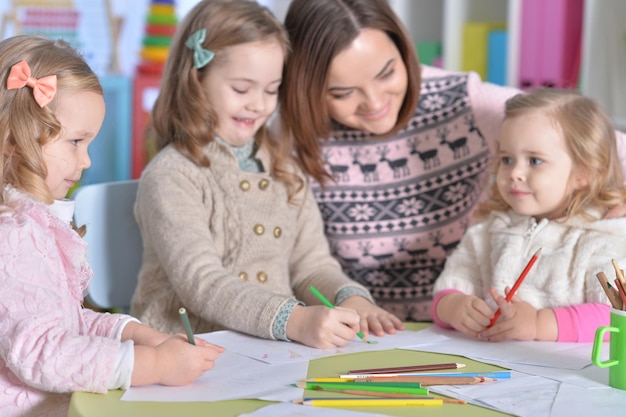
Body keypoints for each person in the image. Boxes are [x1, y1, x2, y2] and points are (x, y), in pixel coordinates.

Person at [279, 0, 626, 323]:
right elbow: (306, 259)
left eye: (387, 73)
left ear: (404, 51)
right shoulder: (290, 134)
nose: (374, 102)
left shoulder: (464, 102)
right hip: (358, 331)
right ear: (307, 88)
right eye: (342, 93)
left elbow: (574, 131)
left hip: (458, 334)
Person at [130, 0, 403, 350]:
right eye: (241, 89)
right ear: (196, 80)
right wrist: (294, 319)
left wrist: (350, 298)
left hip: (270, 351)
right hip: (184, 352)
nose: (259, 104)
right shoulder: (173, 176)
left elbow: (312, 266)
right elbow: (202, 282)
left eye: (272, 90)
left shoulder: (284, 170)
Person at [0, 35, 224, 417]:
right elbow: (39, 351)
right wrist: (152, 366)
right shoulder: (15, 234)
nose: (85, 161)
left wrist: (133, 334)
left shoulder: (34, 224)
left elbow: (64, 322)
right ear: (16, 139)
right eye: (75, 142)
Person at [432, 88, 626, 342]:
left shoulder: (604, 238)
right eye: (507, 159)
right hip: (491, 367)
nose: (514, 173)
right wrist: (452, 306)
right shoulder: (488, 231)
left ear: (584, 172)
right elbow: (452, 283)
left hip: (566, 377)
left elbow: (617, 315)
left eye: (534, 161)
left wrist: (539, 324)